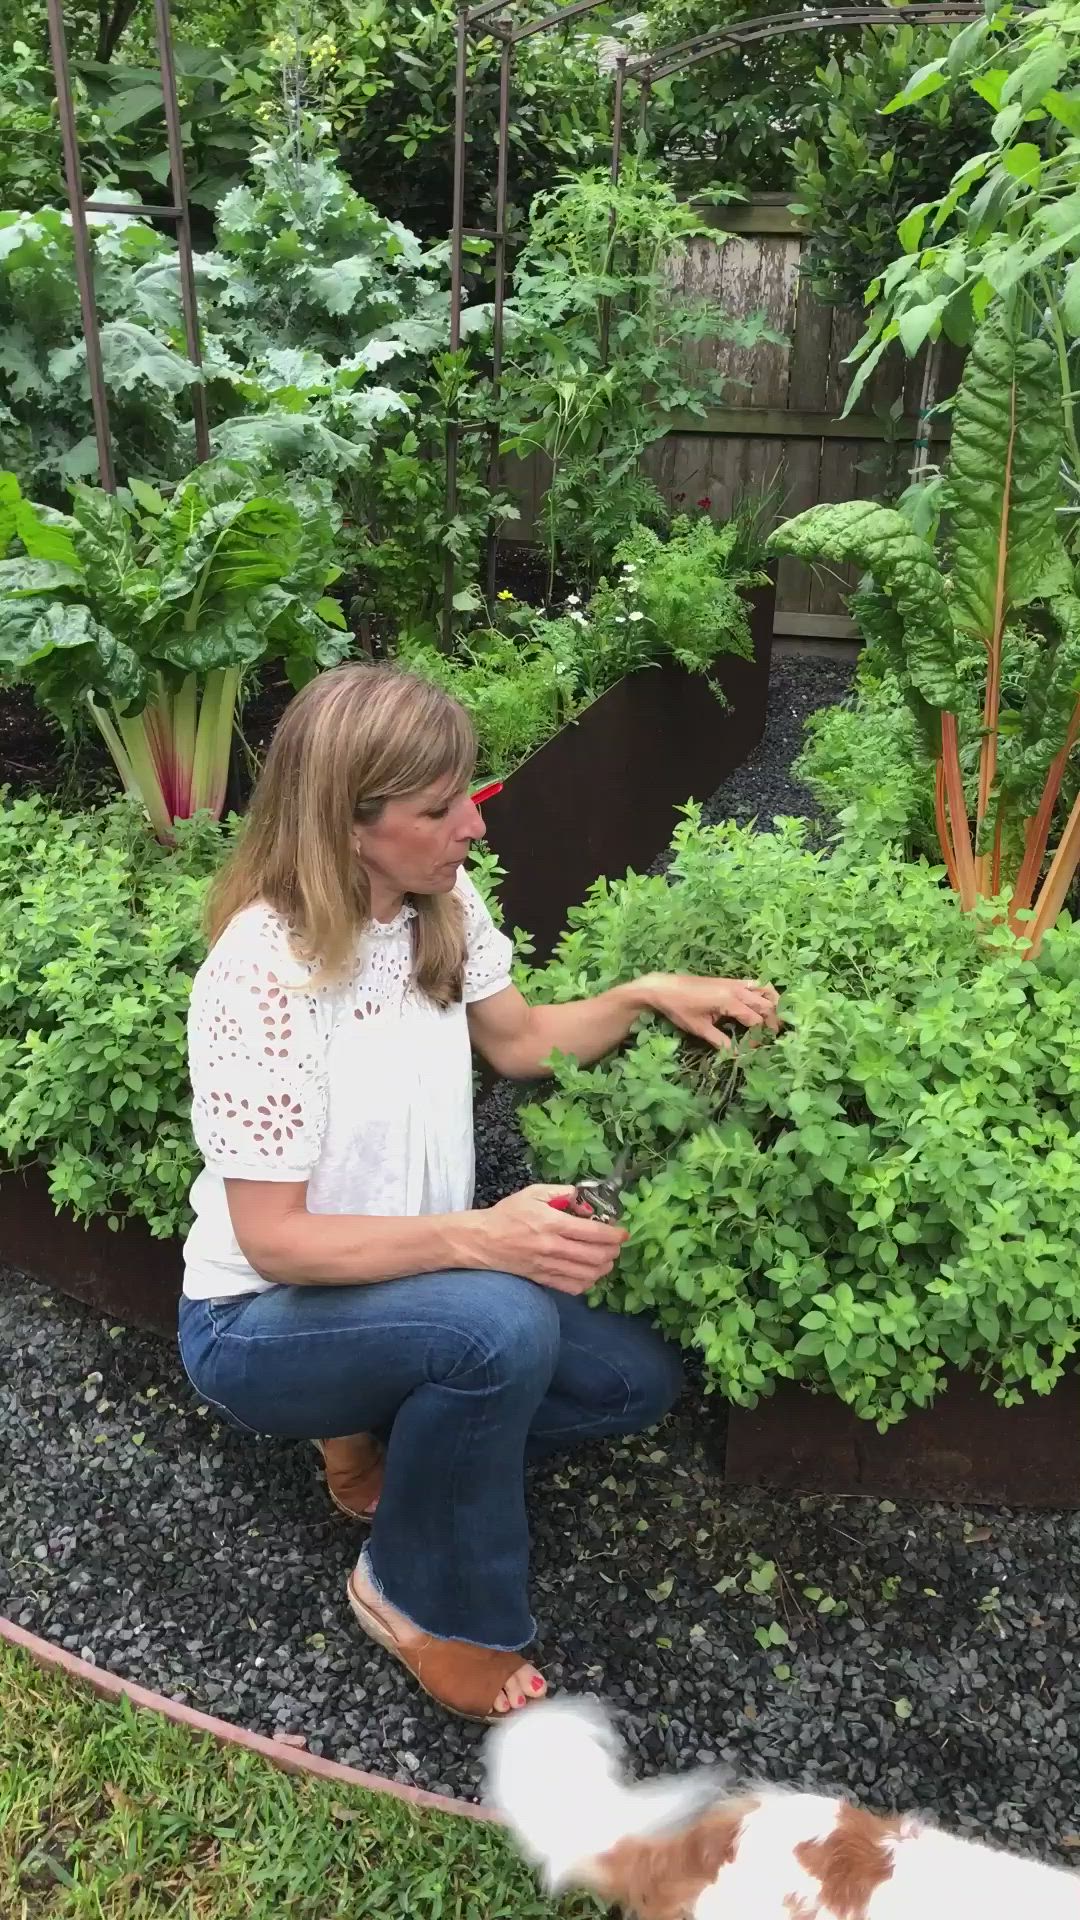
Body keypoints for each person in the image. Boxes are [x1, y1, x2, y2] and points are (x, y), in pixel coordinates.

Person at [178, 663, 781, 1725]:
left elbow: (523, 1042)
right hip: (256, 1324)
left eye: (471, 794)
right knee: (499, 1329)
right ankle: (415, 1593)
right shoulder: (257, 974)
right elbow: (274, 1242)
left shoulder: (436, 902)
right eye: (440, 807)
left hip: (396, 1283)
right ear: (349, 823)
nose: (476, 828)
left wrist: (645, 996)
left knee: (630, 1383)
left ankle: (382, 1446)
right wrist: (483, 1240)